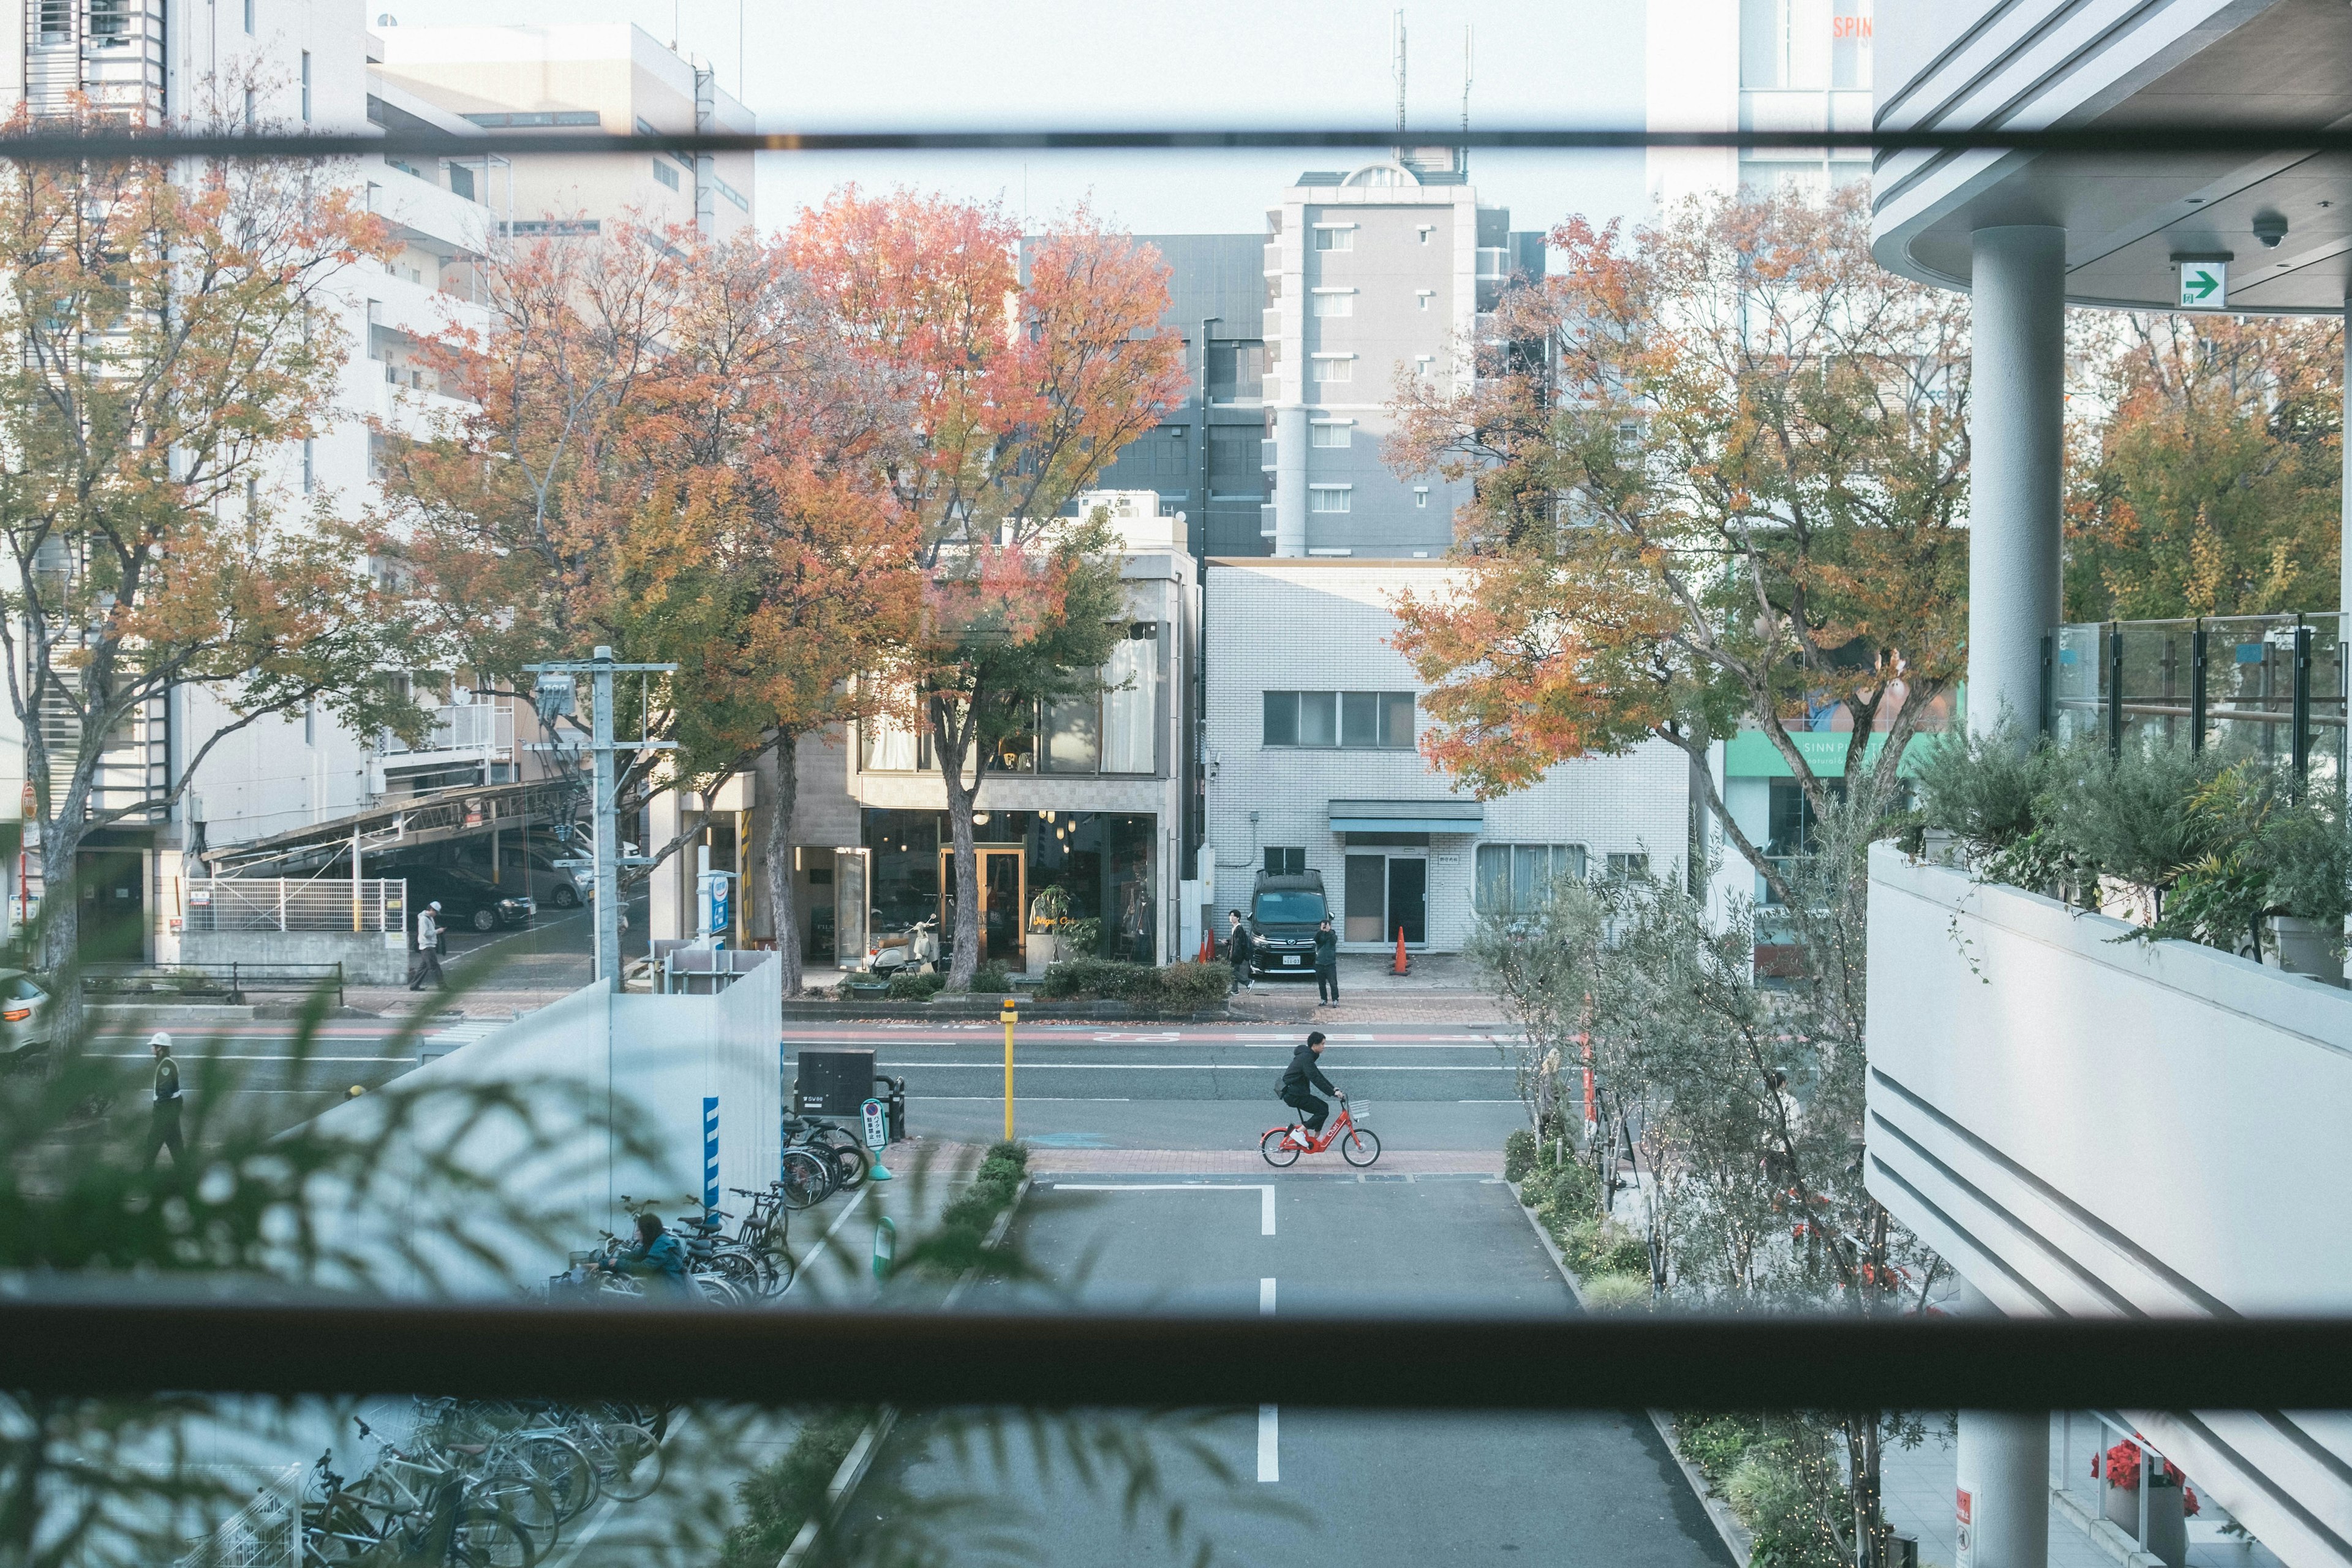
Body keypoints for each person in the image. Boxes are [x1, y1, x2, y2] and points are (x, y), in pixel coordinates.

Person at [1279, 1030, 1339, 1144]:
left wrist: (1333, 1089)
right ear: (1315, 1045)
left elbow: (1318, 1075)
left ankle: (1316, 1136)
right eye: (1322, 1044)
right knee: (1322, 1111)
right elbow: (1315, 1079)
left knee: (1324, 1107)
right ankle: (1299, 1132)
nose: (1324, 1046)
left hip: (1297, 1092)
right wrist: (1332, 1093)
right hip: (1294, 1095)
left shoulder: (1308, 1056)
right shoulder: (1306, 1058)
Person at [616, 1212, 691, 1299]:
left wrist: (617, 1263)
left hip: (671, 1298)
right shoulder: (652, 1244)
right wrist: (603, 1264)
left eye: (638, 1230)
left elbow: (645, 1268)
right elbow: (632, 1256)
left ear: (646, 1231)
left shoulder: (662, 1246)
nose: (635, 1233)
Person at [144, 1031, 184, 1170]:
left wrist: (158, 1112)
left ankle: (146, 1173)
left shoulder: (165, 1066)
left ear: (159, 1048)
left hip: (165, 1112)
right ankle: (183, 1173)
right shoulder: (165, 1063)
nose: (151, 1049)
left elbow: (164, 1093)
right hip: (171, 1111)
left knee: (152, 1143)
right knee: (175, 1144)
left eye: (153, 1046)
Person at [409, 900, 445, 991]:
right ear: (432, 910)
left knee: (423, 968)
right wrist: (438, 931)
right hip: (427, 946)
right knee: (435, 967)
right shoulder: (424, 919)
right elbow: (426, 933)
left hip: (427, 946)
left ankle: (414, 985)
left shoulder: (429, 918)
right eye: (436, 912)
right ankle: (442, 986)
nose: (436, 914)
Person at [1314, 914, 1340, 1004]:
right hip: (1320, 963)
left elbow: (1334, 941)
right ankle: (1324, 999)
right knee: (1321, 984)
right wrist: (1321, 931)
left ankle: (1335, 1000)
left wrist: (1329, 931)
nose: (1325, 926)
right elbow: (1316, 940)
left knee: (1333, 984)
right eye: (1323, 925)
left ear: (1330, 926)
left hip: (1330, 963)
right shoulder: (1319, 934)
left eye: (1327, 925)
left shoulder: (1333, 934)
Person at [1226, 908, 1253, 991]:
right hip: (1235, 954)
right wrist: (1227, 942)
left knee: (1231, 971)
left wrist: (1233, 956)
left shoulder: (1239, 929)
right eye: (1230, 916)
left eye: (1234, 916)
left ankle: (1248, 982)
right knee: (1234, 972)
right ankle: (1235, 990)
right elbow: (1234, 942)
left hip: (1236, 955)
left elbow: (1238, 944)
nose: (1232, 917)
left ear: (1238, 918)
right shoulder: (1235, 928)